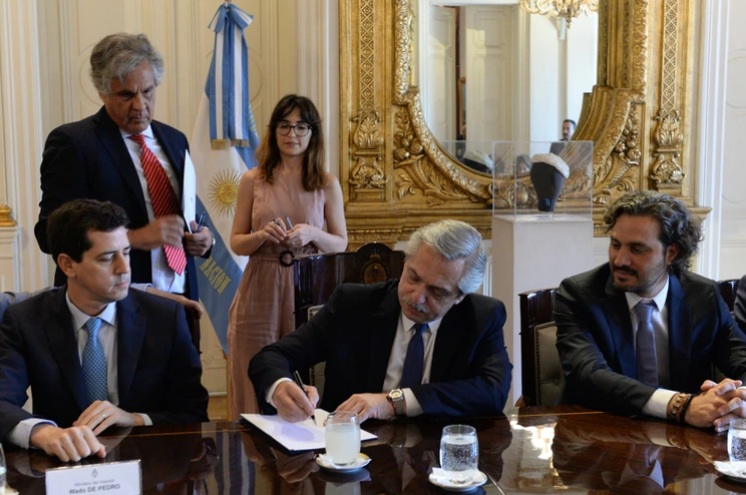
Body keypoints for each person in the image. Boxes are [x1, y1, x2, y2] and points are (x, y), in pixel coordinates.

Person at [0, 199, 208, 462]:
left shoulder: (164, 318)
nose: (124, 269)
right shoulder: (25, 320)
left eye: (126, 252)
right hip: (61, 466)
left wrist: (134, 419)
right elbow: (2, 401)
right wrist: (43, 433)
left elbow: (193, 413)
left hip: (147, 466)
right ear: (67, 265)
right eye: (107, 258)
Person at [249, 219, 511, 423]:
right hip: (353, 454)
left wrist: (393, 402)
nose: (417, 297)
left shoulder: (482, 317)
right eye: (413, 277)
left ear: (460, 296)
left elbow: (493, 391)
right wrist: (281, 387)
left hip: (439, 456)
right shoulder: (353, 305)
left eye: (437, 291)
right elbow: (271, 357)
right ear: (405, 262)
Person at [34, 33, 213, 301]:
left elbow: (183, 212)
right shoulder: (74, 143)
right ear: (102, 93)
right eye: (127, 95)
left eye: (148, 92)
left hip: (180, 300)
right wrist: (132, 238)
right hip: (112, 303)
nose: (140, 105)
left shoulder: (175, 140)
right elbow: (50, 235)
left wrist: (203, 239)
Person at [555, 190, 746, 431]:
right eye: (615, 245)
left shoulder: (702, 295)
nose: (620, 260)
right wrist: (681, 406)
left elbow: (741, 358)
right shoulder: (579, 294)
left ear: (671, 253)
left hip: (684, 439)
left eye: (637, 249)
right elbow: (588, 375)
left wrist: (737, 398)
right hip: (600, 431)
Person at [228, 94, 348, 417]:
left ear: (312, 133)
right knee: (252, 362)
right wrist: (260, 236)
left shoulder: (326, 182)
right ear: (274, 130)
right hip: (261, 283)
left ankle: (306, 436)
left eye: (300, 126)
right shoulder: (252, 179)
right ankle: (251, 437)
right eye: (284, 125)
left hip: (308, 283)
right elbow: (236, 242)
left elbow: (341, 243)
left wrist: (312, 234)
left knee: (305, 366)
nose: (291, 134)